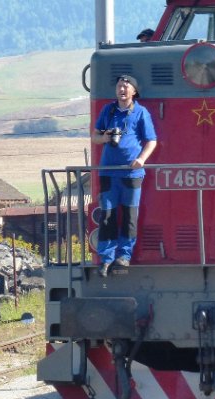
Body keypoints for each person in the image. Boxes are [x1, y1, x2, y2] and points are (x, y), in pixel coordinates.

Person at [92, 74, 157, 277]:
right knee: (107, 215)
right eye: (119, 86)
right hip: (108, 172)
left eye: (125, 87)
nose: (121, 89)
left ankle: (124, 256)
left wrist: (141, 159)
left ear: (134, 91)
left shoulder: (141, 112)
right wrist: (104, 137)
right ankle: (106, 258)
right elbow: (94, 136)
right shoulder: (108, 110)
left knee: (129, 215)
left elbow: (152, 140)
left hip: (132, 173)